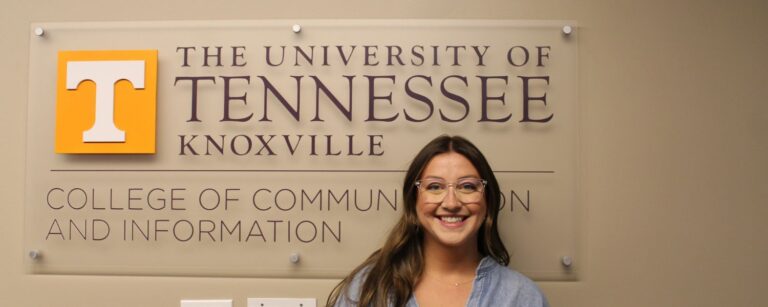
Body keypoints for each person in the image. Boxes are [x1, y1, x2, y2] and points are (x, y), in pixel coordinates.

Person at [327, 135, 549, 307]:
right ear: (414, 201)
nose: (451, 202)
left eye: (467, 186)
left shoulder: (522, 297)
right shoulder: (367, 290)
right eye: (435, 187)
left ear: (487, 201)